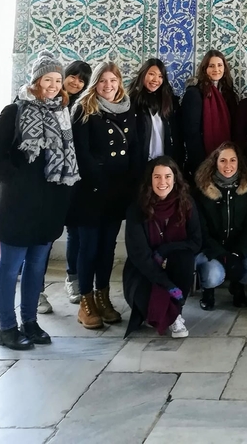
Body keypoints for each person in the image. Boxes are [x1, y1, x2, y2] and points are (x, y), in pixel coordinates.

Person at [0, 53, 80, 350]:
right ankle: (7, 327)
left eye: (56, 80)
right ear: (36, 81)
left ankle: (30, 322)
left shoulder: (61, 112)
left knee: (36, 266)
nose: (52, 86)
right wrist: (16, 182)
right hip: (18, 204)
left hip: (49, 204)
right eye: (46, 80)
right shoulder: (14, 111)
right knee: (10, 265)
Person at [71, 61, 140, 329]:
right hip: (91, 191)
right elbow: (82, 152)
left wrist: (131, 183)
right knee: (89, 246)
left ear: (119, 82)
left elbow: (134, 147)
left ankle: (103, 296)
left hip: (117, 191)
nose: (108, 86)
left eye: (113, 81)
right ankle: (86, 302)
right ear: (95, 84)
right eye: (103, 81)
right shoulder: (84, 109)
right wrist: (99, 180)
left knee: (107, 247)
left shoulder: (128, 108)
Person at [123, 157, 201, 338]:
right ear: (150, 180)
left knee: (185, 258)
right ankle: (172, 316)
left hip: (174, 263)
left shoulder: (186, 204)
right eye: (157, 177)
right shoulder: (136, 209)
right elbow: (139, 256)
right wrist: (168, 285)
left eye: (167, 176)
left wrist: (165, 250)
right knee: (144, 301)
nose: (162, 182)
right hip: (143, 269)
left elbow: (195, 242)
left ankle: (174, 313)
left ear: (175, 179)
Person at [193, 142, 247, 309]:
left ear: (238, 162)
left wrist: (238, 253)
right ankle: (208, 291)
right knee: (214, 275)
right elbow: (201, 231)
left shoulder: (246, 189)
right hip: (211, 250)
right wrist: (223, 256)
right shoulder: (202, 191)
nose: (228, 165)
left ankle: (237, 285)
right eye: (223, 161)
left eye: (232, 160)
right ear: (215, 162)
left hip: (236, 247)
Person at [61, 60, 92, 305]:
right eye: (73, 76)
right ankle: (37, 290)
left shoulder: (84, 106)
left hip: (78, 178)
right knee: (45, 237)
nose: (75, 82)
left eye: (81, 79)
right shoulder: (54, 102)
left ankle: (73, 278)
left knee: (75, 231)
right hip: (52, 179)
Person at [180, 50, 237, 177]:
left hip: (226, 162)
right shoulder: (194, 93)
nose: (216, 69)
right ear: (204, 68)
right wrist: (202, 165)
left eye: (220, 65)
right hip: (203, 160)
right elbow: (191, 133)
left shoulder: (228, 94)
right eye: (211, 66)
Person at [130, 59, 183, 170]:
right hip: (141, 162)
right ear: (143, 74)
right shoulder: (132, 101)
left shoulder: (169, 101)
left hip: (165, 161)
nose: (156, 80)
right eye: (151, 74)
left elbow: (177, 133)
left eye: (160, 76)